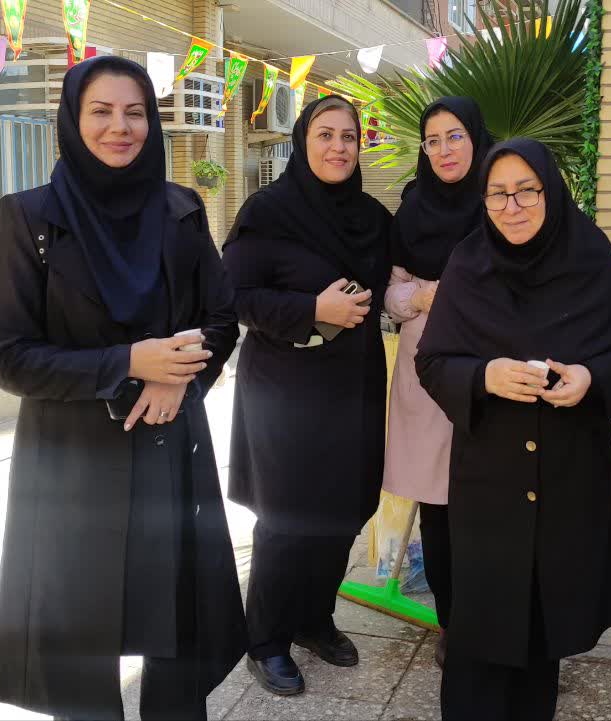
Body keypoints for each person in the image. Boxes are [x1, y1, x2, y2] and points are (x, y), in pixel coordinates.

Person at [0, 56, 246, 720]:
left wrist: (180, 381)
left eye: (135, 112)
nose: (119, 127)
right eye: (100, 111)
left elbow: (220, 318)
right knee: (79, 648)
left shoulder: (180, 210)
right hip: (70, 465)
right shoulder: (29, 217)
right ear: (72, 120)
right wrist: (130, 361)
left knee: (177, 633)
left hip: (167, 449)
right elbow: (10, 357)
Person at [416, 138, 611, 721]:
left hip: (566, 478)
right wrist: (485, 376)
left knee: (541, 635)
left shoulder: (590, 255)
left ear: (551, 192)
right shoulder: (468, 264)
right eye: (498, 193)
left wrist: (591, 378)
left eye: (527, 190)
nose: (513, 206)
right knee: (479, 635)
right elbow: (433, 361)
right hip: (489, 482)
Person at [222, 95, 392, 696]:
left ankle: (313, 619)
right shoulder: (268, 212)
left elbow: (394, 282)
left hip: (354, 384)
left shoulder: (373, 218)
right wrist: (312, 308)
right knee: (288, 517)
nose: (338, 147)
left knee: (343, 508)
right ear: (302, 140)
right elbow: (232, 296)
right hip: (285, 390)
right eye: (326, 134)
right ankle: (265, 639)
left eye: (349, 136)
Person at [383, 96, 494, 667]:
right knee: (440, 506)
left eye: (455, 136)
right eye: (433, 141)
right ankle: (453, 623)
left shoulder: (503, 199)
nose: (444, 150)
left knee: (491, 499)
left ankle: (495, 619)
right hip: (427, 374)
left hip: (492, 372)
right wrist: (429, 295)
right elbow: (392, 295)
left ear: (476, 138)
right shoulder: (412, 208)